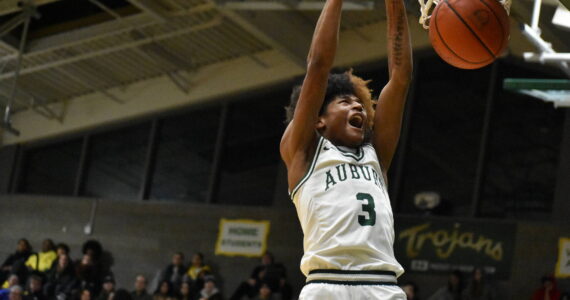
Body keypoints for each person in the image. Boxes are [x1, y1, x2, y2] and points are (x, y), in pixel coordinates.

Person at [279, 0, 412, 296]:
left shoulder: (375, 154)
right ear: (319, 121)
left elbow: (400, 77)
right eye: (344, 102)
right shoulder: (303, 151)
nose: (357, 107)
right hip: (326, 284)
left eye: (359, 104)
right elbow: (318, 66)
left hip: (382, 285)